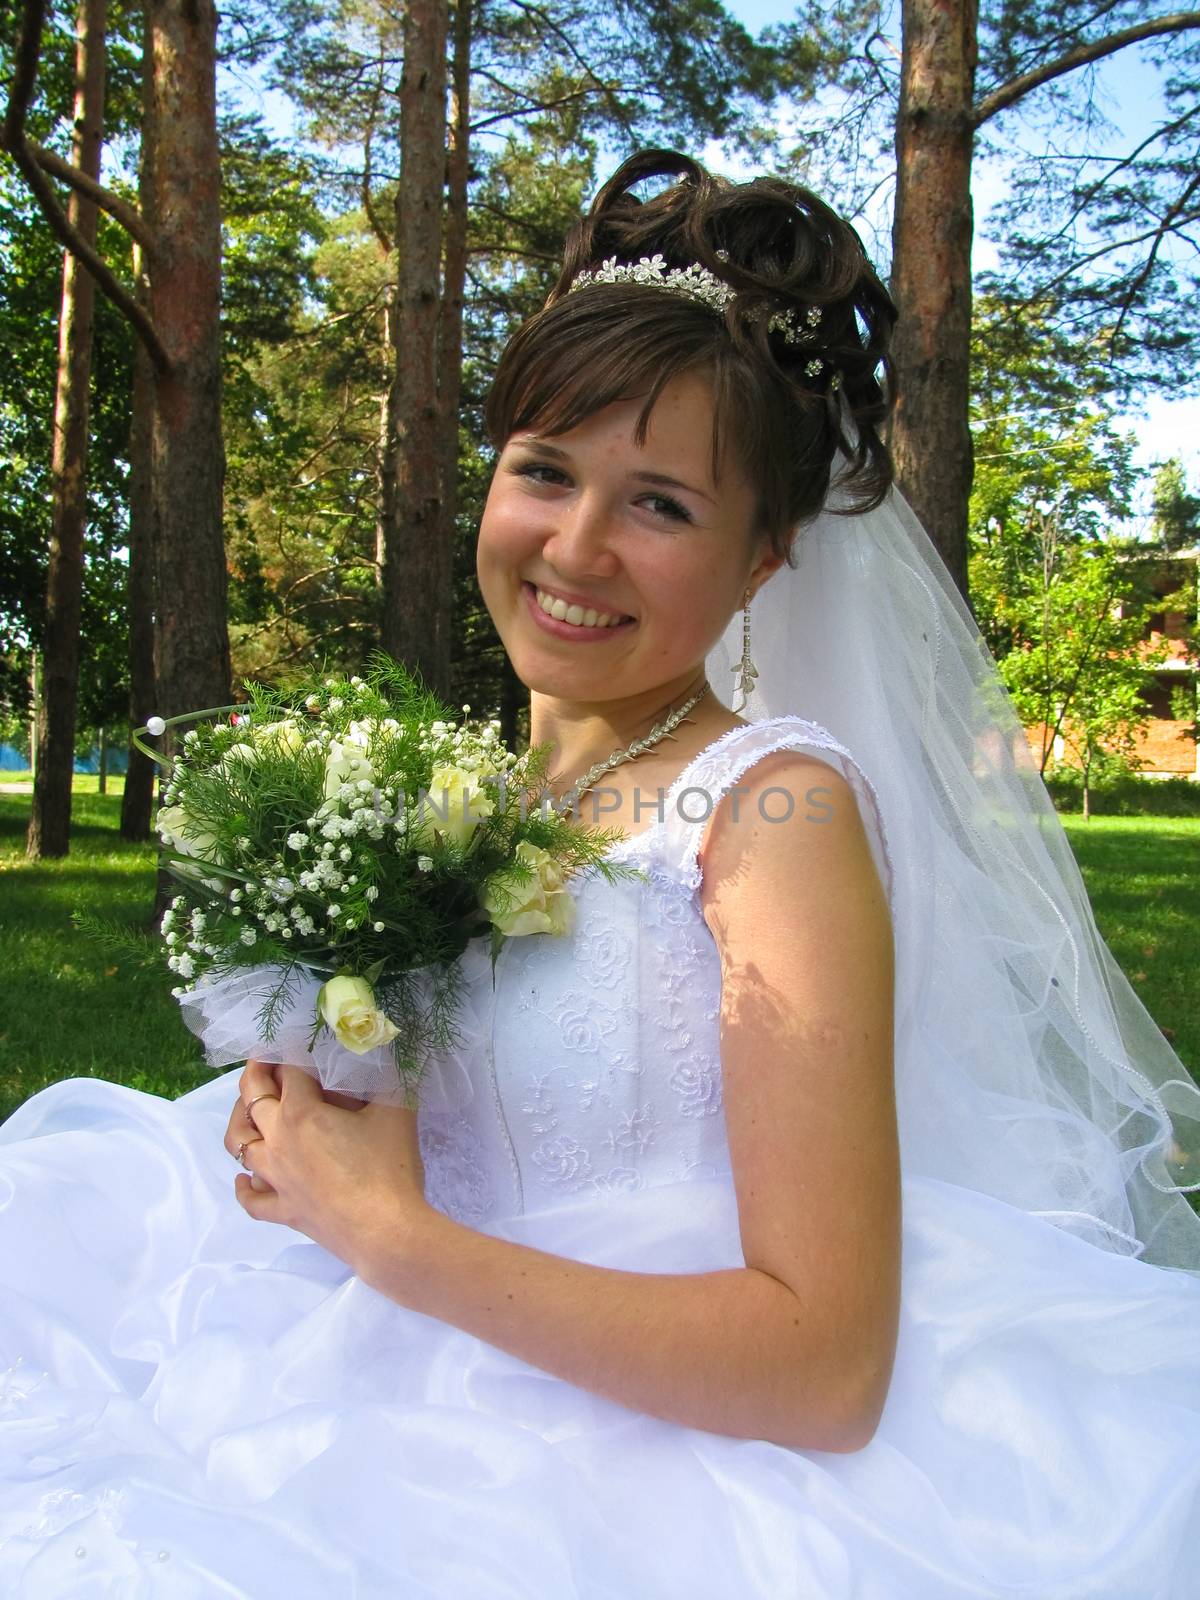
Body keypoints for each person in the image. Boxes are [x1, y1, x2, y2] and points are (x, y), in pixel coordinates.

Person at [1, 148, 1198, 1597]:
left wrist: (391, 1237)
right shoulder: (469, 800)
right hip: (366, 1345)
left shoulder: (773, 816)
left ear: (766, 559)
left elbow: (825, 1367)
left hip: (640, 1461)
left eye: (662, 507)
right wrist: (306, 1118)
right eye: (546, 472)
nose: (577, 547)